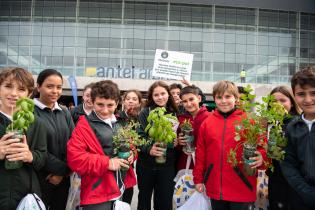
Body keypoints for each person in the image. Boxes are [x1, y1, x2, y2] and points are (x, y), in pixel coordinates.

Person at [193, 80, 266, 210]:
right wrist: (198, 179)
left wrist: (262, 156)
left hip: (242, 186)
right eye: (219, 97)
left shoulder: (249, 121)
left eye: (228, 96)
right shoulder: (207, 123)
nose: (223, 101)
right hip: (215, 186)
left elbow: (262, 147)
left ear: (236, 99)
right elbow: (201, 153)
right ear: (214, 99)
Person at [67, 80, 136, 210]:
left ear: (117, 103)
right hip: (98, 193)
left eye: (110, 105)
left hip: (120, 188)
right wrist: (107, 163)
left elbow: (130, 146)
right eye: (100, 104)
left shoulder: (119, 123)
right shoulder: (84, 125)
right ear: (92, 102)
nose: (105, 110)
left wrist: (132, 154)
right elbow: (74, 158)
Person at [0, 67, 47, 210]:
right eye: (8, 86)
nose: (14, 94)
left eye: (21, 89)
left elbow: (42, 158)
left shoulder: (37, 123)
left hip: (25, 197)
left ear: (29, 93)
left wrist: (30, 156)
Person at [33, 69, 75, 210]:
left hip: (63, 179)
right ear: (38, 87)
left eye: (59, 87)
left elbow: (74, 144)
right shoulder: (29, 112)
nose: (55, 91)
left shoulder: (64, 112)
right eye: (49, 86)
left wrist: (63, 173)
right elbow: (34, 147)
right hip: (41, 177)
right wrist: (61, 170)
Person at [137, 81, 178, 210]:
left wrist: (176, 141)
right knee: (144, 200)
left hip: (167, 165)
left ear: (168, 94)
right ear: (152, 97)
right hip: (146, 165)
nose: (160, 97)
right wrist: (149, 148)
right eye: (156, 95)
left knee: (164, 201)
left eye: (163, 93)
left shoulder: (175, 112)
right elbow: (139, 136)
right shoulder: (145, 113)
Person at [281, 66, 315, 210]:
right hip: (300, 198)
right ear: (294, 96)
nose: (308, 99)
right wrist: (307, 193)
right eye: (301, 94)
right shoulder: (291, 128)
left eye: (313, 93)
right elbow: (288, 165)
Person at [265, 86, 301, 210]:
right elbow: (271, 155)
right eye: (274, 101)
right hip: (275, 181)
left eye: (283, 100)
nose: (278, 104)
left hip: (294, 185)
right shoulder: (269, 125)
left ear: (291, 103)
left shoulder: (298, 124)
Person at [176, 85, 210, 171]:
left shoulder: (210, 117)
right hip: (184, 164)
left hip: (204, 163)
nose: (189, 104)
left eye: (191, 99)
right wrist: (178, 142)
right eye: (185, 101)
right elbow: (176, 146)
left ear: (199, 98)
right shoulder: (180, 119)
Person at [118, 89, 143, 204]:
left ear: (139, 103)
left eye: (134, 99)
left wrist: (134, 153)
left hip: (130, 164)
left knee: (127, 193)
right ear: (123, 101)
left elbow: (140, 142)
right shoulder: (117, 117)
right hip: (116, 161)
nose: (131, 102)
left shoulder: (141, 120)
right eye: (128, 99)